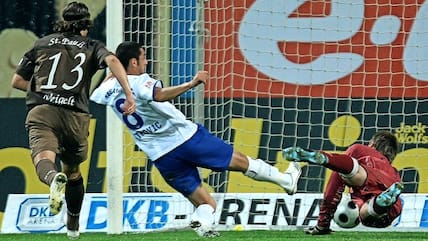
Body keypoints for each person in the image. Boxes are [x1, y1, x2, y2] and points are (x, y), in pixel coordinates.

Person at [89, 41, 302, 237]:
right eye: (143, 57)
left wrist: (113, 70)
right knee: (243, 162)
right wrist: (192, 83)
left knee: (205, 203)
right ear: (133, 62)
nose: (147, 60)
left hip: (161, 156)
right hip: (186, 139)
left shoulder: (105, 90)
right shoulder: (137, 82)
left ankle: (202, 223)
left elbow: (95, 93)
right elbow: (159, 94)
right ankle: (286, 180)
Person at [11, 2, 136, 239]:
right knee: (73, 171)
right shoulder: (91, 45)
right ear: (85, 26)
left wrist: (43, 91)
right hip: (76, 117)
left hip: (43, 111)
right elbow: (113, 62)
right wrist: (129, 93)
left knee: (44, 160)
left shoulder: (41, 43)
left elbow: (16, 81)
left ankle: (52, 180)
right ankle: (73, 228)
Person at [282, 131, 403, 234]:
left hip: (366, 176)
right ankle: (379, 203)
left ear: (372, 144)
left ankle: (325, 158)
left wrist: (322, 223)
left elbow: (333, 188)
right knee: (364, 213)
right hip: (392, 206)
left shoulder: (361, 150)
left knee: (353, 175)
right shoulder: (394, 172)